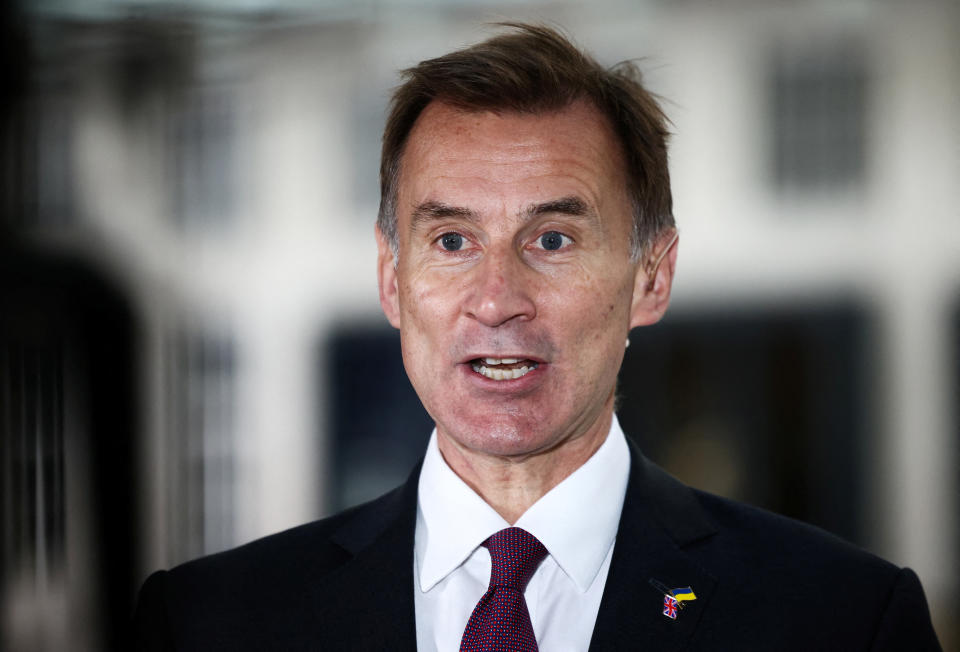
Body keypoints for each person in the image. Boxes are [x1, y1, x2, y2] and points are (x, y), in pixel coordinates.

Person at [134, 23, 941, 651]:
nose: (496, 299)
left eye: (552, 239)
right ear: (390, 278)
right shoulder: (206, 625)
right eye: (452, 241)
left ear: (651, 277)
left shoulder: (842, 624)